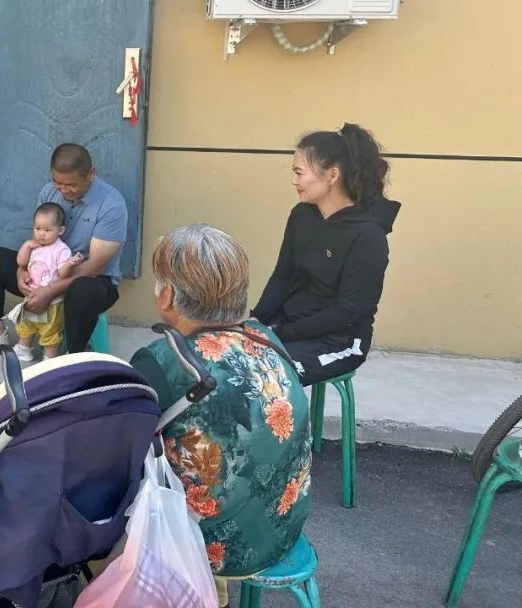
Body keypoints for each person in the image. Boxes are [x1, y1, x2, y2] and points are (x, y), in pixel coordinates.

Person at [130, 224, 311, 608]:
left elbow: (122, 445)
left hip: (217, 547)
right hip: (285, 525)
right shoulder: (265, 337)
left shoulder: (165, 362)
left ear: (166, 295)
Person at [251, 123, 401, 386]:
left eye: (300, 172)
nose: (294, 181)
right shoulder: (301, 216)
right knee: (221, 358)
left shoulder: (368, 236)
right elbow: (282, 276)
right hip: (288, 328)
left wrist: (281, 334)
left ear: (332, 175)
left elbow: (348, 311)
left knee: (259, 375)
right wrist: (257, 321)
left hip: (338, 342)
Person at [0, 143, 127, 356]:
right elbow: (38, 240)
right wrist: (22, 271)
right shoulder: (49, 192)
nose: (63, 190)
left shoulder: (111, 204)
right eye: (57, 182)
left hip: (90, 280)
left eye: (71, 185)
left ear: (91, 173)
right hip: (44, 273)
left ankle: (72, 354)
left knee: (84, 290)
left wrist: (50, 291)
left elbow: (94, 267)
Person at [9, 202, 83, 362]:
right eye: (37, 229)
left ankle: (49, 358)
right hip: (31, 295)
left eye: (47, 230)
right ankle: (23, 348)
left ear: (60, 231)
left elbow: (63, 274)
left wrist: (70, 264)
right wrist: (27, 246)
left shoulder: (61, 249)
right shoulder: (34, 245)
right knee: (26, 324)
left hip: (52, 302)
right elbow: (21, 262)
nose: (41, 234)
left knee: (50, 330)